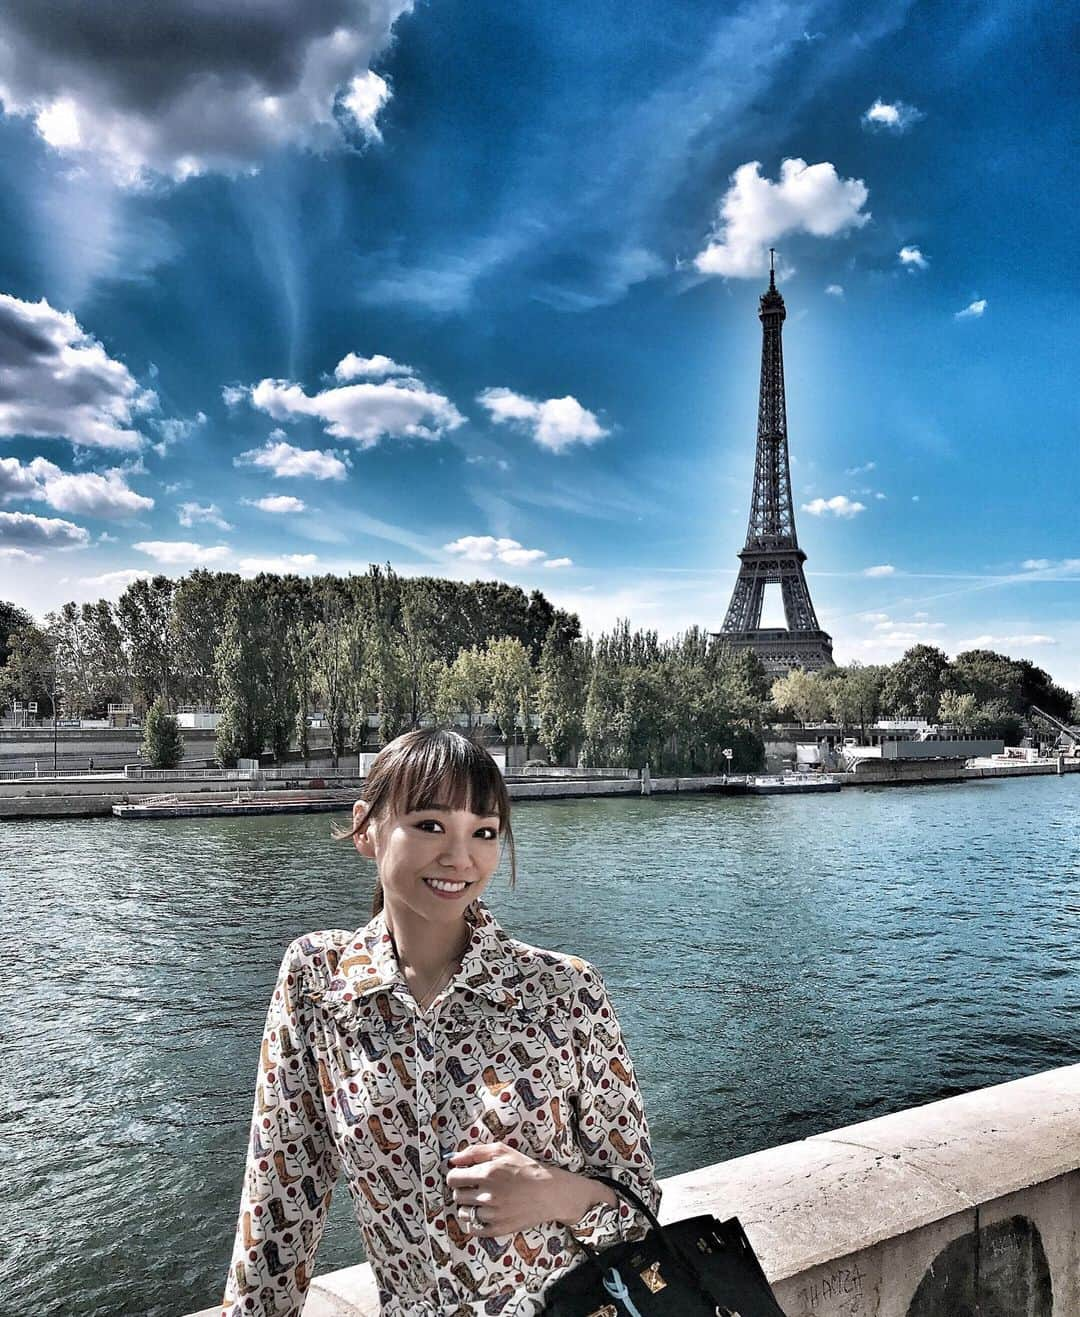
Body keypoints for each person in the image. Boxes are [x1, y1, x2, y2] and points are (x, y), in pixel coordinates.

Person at [221, 728, 658, 1317]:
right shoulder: (317, 982)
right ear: (365, 829)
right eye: (431, 825)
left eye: (484, 832)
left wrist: (556, 1192)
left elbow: (640, 1211)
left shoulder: (565, 992)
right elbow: (278, 1207)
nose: (460, 858)